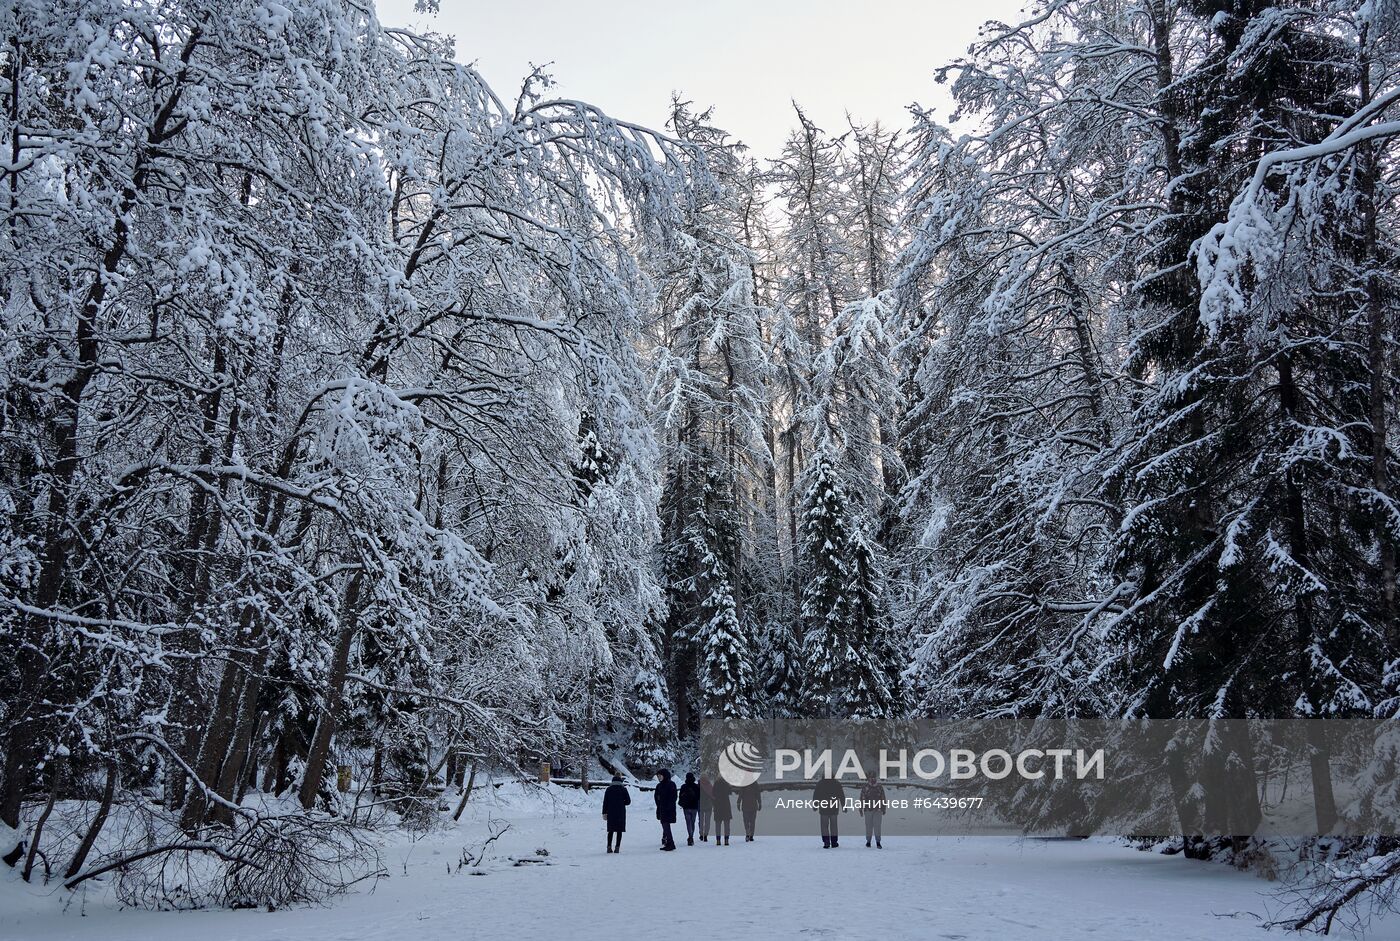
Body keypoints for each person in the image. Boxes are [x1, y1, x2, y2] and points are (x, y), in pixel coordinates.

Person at [813, 775, 844, 848]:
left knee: (824, 826)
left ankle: (826, 841)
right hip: (834, 808)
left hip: (824, 808)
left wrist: (815, 805)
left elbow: (816, 795)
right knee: (834, 826)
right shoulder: (836, 783)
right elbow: (841, 795)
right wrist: (844, 806)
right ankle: (834, 842)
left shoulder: (820, 783)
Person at [602, 774, 630, 854]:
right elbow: (628, 801)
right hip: (620, 812)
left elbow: (605, 802)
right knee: (619, 831)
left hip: (611, 812)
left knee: (610, 830)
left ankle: (609, 847)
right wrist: (622, 802)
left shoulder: (609, 789)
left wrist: (604, 812)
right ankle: (617, 847)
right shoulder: (623, 789)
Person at [859, 775, 887, 848]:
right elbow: (862, 798)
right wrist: (861, 808)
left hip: (877, 809)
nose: (872, 779)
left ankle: (878, 842)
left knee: (877, 826)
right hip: (868, 809)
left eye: (874, 777)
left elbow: (883, 798)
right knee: (869, 826)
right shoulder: (865, 787)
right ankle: (869, 841)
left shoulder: (879, 787)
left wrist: (884, 808)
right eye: (871, 777)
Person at [654, 768, 678, 851]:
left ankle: (671, 843)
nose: (659, 777)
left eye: (660, 776)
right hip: (661, 809)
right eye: (658, 776)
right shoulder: (659, 785)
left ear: (664, 775)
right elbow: (656, 797)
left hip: (668, 809)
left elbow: (674, 797)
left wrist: (667, 805)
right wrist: (659, 803)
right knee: (665, 826)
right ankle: (668, 842)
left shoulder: (671, 784)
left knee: (666, 826)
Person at [678, 772, 701, 845]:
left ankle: (690, 836)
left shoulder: (683, 786)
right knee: (692, 822)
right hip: (694, 807)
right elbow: (699, 797)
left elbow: (680, 796)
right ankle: (691, 836)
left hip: (686, 807)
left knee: (688, 822)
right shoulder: (696, 786)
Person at [711, 774, 733, 845]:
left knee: (718, 824)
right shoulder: (726, 784)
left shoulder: (716, 784)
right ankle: (726, 840)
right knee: (727, 824)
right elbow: (730, 792)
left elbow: (713, 794)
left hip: (718, 806)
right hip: (726, 806)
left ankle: (718, 840)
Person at [697, 774, 714, 842]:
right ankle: (706, 834)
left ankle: (701, 834)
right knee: (707, 821)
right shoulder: (709, 785)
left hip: (700, 805)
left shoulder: (698, 786)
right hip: (708, 805)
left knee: (701, 820)